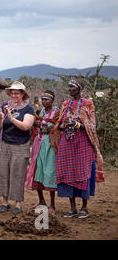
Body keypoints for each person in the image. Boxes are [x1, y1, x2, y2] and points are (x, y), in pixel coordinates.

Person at [53, 79, 105, 218]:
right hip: (67, 142)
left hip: (83, 142)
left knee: (83, 172)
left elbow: (92, 125)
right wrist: (64, 126)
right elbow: (59, 124)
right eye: (68, 87)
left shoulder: (88, 104)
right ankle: (72, 207)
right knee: (68, 172)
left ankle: (84, 207)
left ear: (79, 89)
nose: (69, 89)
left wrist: (78, 125)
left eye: (72, 87)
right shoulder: (66, 104)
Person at [0, 81, 35, 215]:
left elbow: (25, 126)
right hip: (4, 143)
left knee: (18, 174)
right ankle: (5, 202)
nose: (14, 95)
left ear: (23, 94)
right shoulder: (5, 106)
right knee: (3, 172)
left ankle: (17, 203)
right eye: (12, 93)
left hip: (20, 145)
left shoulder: (28, 109)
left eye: (16, 93)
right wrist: (1, 118)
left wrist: (12, 119)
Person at [25, 90, 59, 214]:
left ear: (53, 100)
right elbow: (34, 126)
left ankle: (52, 205)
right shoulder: (40, 112)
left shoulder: (57, 113)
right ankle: (41, 201)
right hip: (38, 144)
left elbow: (59, 127)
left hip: (50, 145)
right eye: (43, 99)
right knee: (37, 170)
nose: (44, 101)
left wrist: (49, 126)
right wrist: (36, 124)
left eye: (47, 99)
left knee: (50, 172)